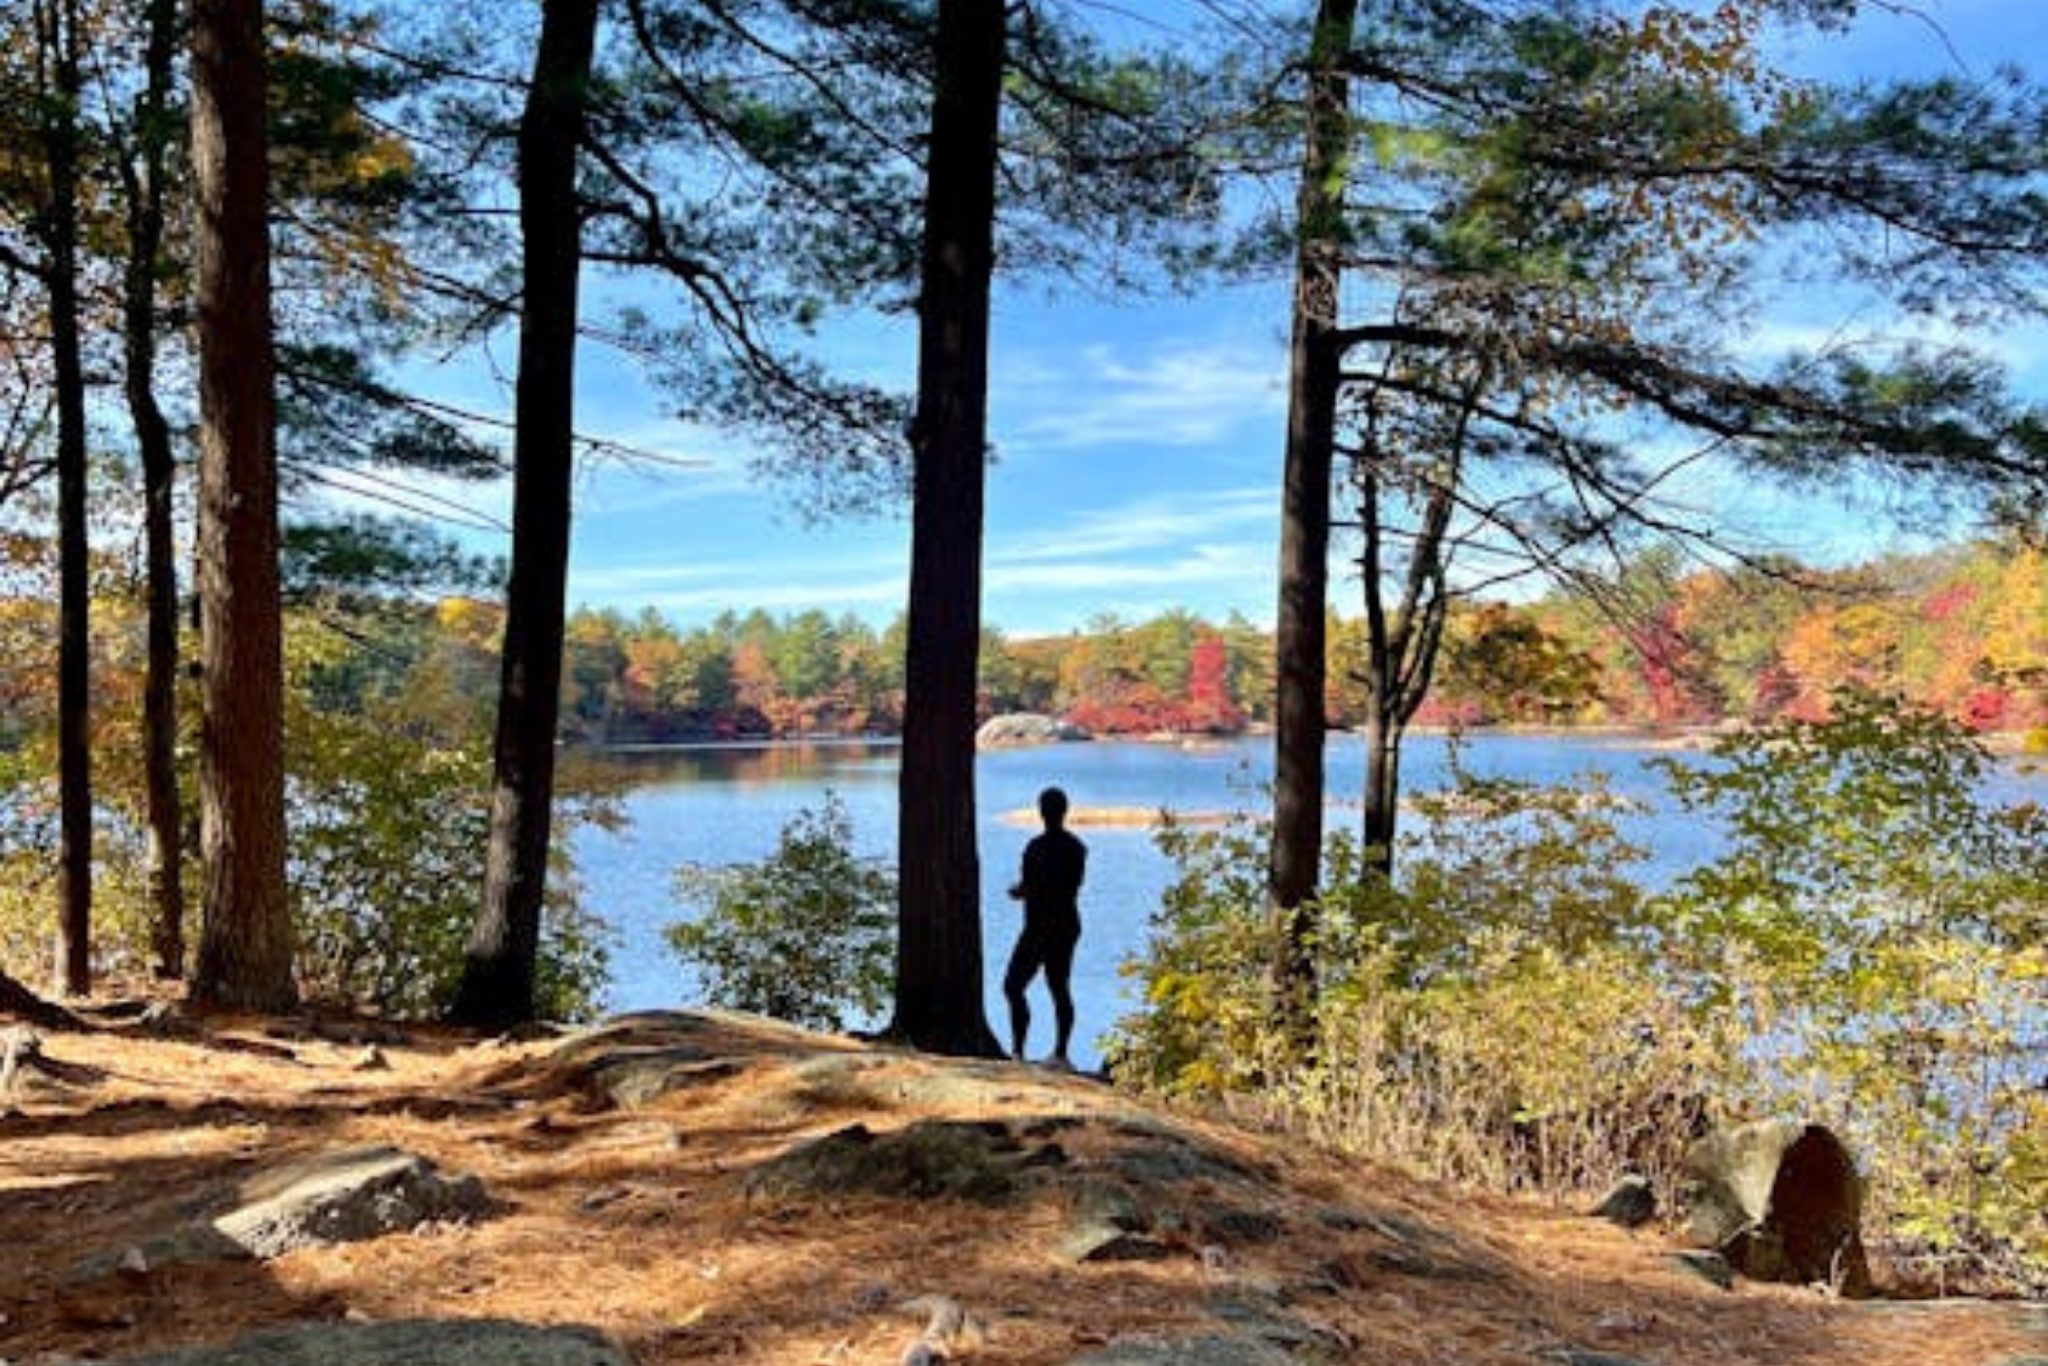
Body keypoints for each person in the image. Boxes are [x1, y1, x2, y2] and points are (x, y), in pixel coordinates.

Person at [1003, 785, 1086, 1066]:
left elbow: (1030, 885)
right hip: (1066, 924)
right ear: (1065, 811)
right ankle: (1060, 1053)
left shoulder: (1035, 847)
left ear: (1042, 812)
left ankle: (1018, 1052)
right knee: (1059, 987)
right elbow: (1071, 886)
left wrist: (1019, 892)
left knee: (1014, 987)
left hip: (1039, 926)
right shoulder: (1076, 848)